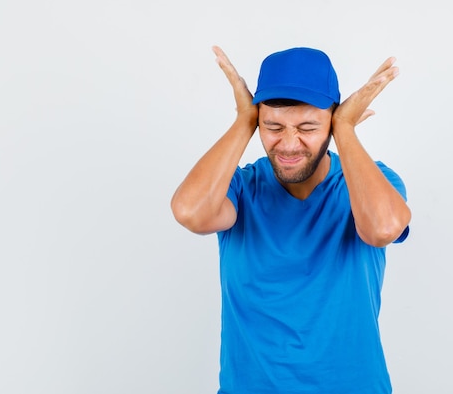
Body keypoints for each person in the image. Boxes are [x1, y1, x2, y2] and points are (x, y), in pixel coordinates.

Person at [171, 45, 411, 394]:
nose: (288, 144)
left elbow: (382, 229)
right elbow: (191, 212)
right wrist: (243, 122)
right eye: (273, 126)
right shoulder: (239, 187)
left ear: (331, 120)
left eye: (308, 127)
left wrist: (345, 130)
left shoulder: (374, 181)